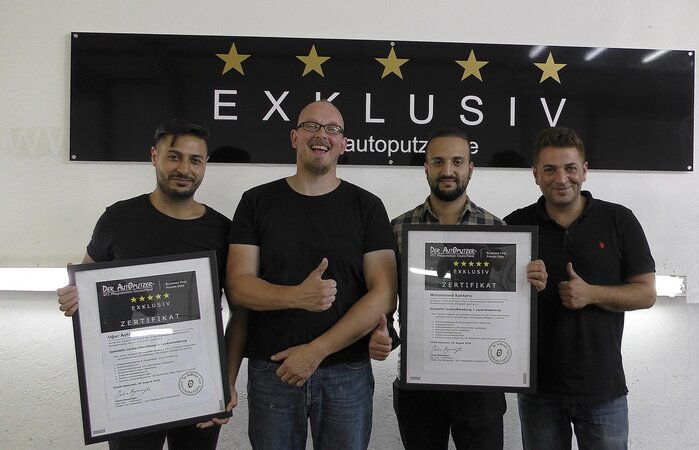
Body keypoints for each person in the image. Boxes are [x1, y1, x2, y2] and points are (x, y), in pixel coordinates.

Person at [56, 119, 247, 450]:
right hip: (131, 386)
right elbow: (88, 281)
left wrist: (226, 381)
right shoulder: (118, 219)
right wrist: (74, 297)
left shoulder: (222, 230)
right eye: (174, 156)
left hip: (199, 383)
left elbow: (240, 315)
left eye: (195, 160)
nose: (184, 169)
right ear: (154, 156)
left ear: (205, 165)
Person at [225, 100, 397, 450]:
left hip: (346, 373)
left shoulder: (367, 207)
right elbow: (239, 286)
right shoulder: (255, 202)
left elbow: (383, 294)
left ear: (344, 143)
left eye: (332, 129)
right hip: (273, 371)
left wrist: (316, 351)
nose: (322, 135)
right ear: (294, 137)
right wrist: (295, 296)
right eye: (311, 126)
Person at [368, 128, 548, 449]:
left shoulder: (500, 230)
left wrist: (532, 281)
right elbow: (385, 301)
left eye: (457, 162)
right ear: (426, 167)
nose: (447, 170)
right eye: (438, 162)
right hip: (418, 384)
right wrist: (384, 338)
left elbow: (508, 312)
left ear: (471, 169)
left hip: (481, 385)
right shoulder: (396, 229)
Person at [504, 127, 657, 449]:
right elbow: (495, 301)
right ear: (535, 174)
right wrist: (519, 281)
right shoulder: (515, 225)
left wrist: (592, 294)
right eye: (550, 169)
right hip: (538, 389)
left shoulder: (619, 220)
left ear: (584, 171)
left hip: (603, 389)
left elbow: (646, 293)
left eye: (570, 168)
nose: (561, 178)